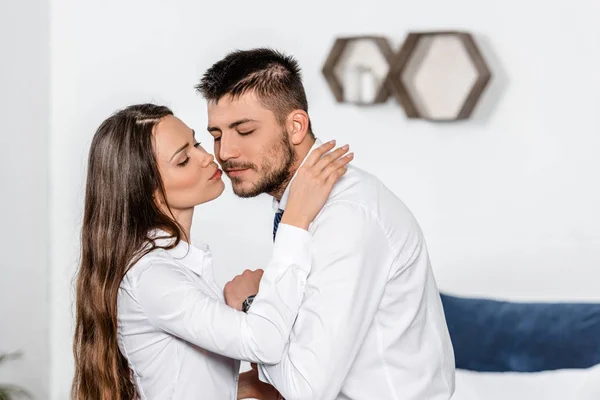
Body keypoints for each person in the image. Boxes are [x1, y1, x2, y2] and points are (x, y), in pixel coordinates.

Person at [196, 48, 456, 400]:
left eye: (244, 130)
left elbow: (305, 389)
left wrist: (251, 305)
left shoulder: (346, 217)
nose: (225, 151)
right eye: (216, 135)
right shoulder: (301, 206)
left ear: (296, 126)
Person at [71, 103, 353, 399]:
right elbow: (264, 343)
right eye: (183, 160)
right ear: (145, 191)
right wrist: (295, 220)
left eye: (196, 143)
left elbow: (179, 375)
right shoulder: (154, 276)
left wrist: (244, 386)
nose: (208, 158)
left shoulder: (172, 265)